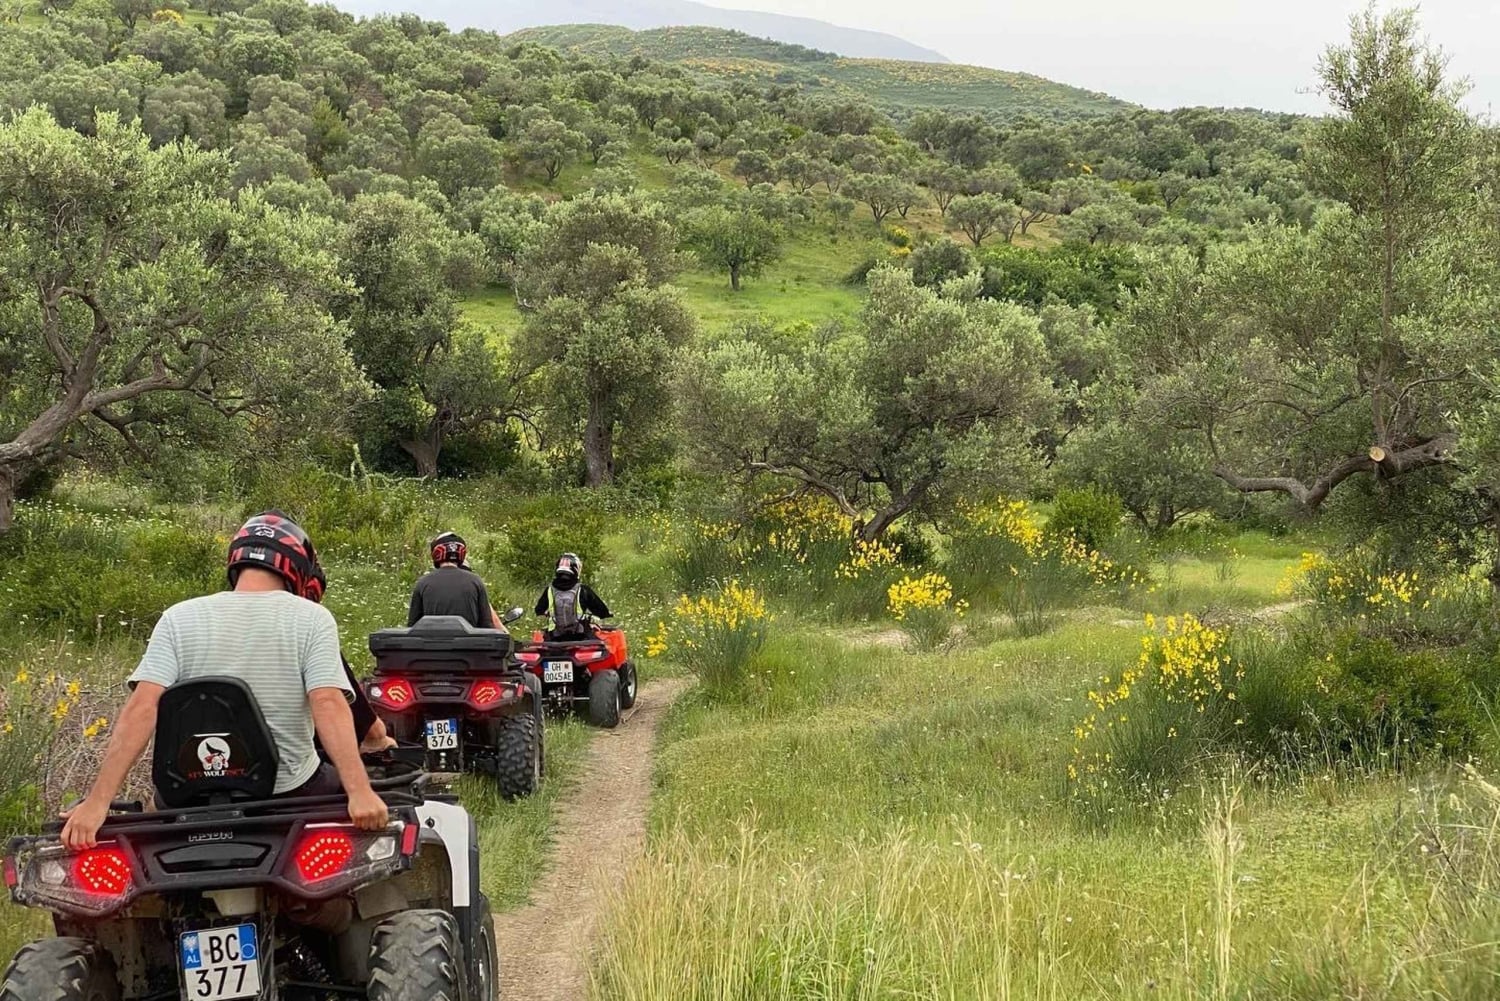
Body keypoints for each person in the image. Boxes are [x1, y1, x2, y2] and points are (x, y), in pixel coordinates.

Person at [60, 512, 388, 850]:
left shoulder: (178, 617)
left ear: (236, 561)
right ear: (299, 569)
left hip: (188, 795)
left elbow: (142, 708)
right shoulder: (312, 618)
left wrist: (97, 803)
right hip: (288, 790)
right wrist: (360, 792)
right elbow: (327, 702)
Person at [408, 531, 506, 631]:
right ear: (462, 554)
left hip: (431, 645)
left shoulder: (423, 583)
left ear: (436, 554)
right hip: (469, 645)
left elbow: (412, 626)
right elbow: (487, 625)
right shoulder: (475, 581)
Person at [535, 552, 611, 639]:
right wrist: (605, 614)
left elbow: (538, 610)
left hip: (555, 637)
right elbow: (601, 610)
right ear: (577, 569)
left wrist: (547, 613)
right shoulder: (583, 589)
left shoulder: (549, 590)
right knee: (604, 647)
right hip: (580, 636)